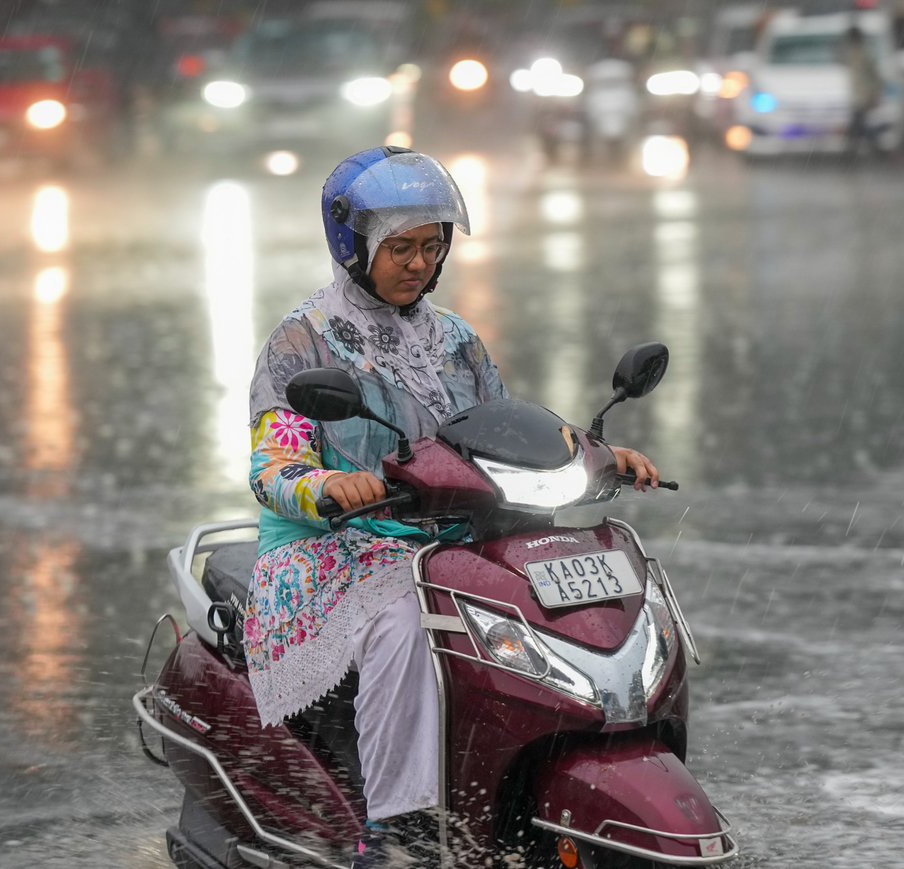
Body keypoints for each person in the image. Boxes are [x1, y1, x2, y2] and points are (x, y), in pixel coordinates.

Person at [243, 146, 660, 867]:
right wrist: (324, 485)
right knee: (407, 619)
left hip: (445, 538)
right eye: (400, 246)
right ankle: (397, 827)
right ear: (355, 248)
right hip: (331, 549)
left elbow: (500, 430)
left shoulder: (457, 339)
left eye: (431, 246)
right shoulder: (300, 340)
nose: (418, 262)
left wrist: (592, 454)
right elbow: (270, 464)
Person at [844, 25, 884, 156]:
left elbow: (875, 76)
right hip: (857, 95)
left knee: (857, 124)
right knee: (859, 124)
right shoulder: (851, 53)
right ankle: (873, 145)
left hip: (863, 95)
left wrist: (874, 92)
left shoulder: (865, 54)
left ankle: (853, 151)